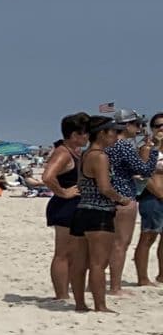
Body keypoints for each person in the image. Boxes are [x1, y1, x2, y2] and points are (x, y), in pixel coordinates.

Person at [72, 115, 125, 313]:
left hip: (82, 211)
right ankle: (100, 305)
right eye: (113, 131)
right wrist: (121, 198)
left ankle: (79, 304)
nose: (116, 135)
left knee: (80, 263)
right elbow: (104, 187)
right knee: (98, 264)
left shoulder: (85, 154)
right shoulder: (100, 156)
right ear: (102, 133)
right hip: (99, 212)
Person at [105, 111, 158, 293]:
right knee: (121, 243)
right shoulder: (124, 145)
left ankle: (105, 283)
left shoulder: (107, 145)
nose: (139, 129)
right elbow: (144, 170)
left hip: (107, 196)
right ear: (127, 125)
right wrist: (153, 150)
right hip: (124, 196)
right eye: (136, 124)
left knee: (107, 243)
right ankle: (115, 286)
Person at [41, 113, 90, 302]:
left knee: (73, 252)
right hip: (65, 206)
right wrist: (63, 192)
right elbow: (47, 177)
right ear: (75, 134)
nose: (87, 137)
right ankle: (61, 294)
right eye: (85, 133)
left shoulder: (73, 151)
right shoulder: (63, 152)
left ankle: (65, 292)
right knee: (63, 252)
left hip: (72, 206)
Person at [137, 111, 163, 286]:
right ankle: (143, 278)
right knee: (148, 236)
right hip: (152, 196)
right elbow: (142, 174)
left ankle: (162, 275)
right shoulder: (147, 148)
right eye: (158, 125)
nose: (161, 128)